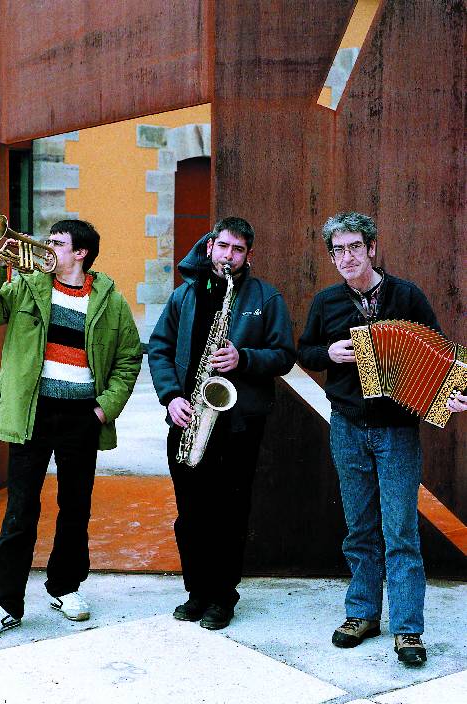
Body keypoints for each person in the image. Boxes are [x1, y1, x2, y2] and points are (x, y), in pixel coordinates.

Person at [297, 211, 466, 666]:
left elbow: (440, 352)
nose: (347, 257)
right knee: (360, 528)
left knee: (401, 530)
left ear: (371, 248)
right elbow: (305, 349)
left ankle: (408, 628)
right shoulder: (326, 302)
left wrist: (450, 392)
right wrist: (327, 352)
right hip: (347, 426)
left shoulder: (406, 295)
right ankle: (363, 614)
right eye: (338, 250)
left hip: (397, 430)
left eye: (355, 247)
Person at [0, 220, 142, 641]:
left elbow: (129, 357)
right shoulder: (26, 286)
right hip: (33, 413)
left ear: (81, 253)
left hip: (82, 416)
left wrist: (103, 409)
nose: (46, 248)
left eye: (57, 243)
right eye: (47, 241)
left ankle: (65, 588)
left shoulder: (110, 300)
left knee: (75, 508)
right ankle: (3, 603)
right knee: (20, 508)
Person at [148, 216, 295, 630]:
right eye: (224, 246)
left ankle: (222, 597)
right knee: (190, 513)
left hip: (238, 425)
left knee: (230, 514)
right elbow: (159, 349)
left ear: (249, 255)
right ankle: (197, 592)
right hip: (188, 416)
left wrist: (242, 358)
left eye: (238, 250)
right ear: (210, 246)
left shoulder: (266, 297)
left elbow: (284, 354)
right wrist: (172, 397)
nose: (229, 256)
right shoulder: (183, 296)